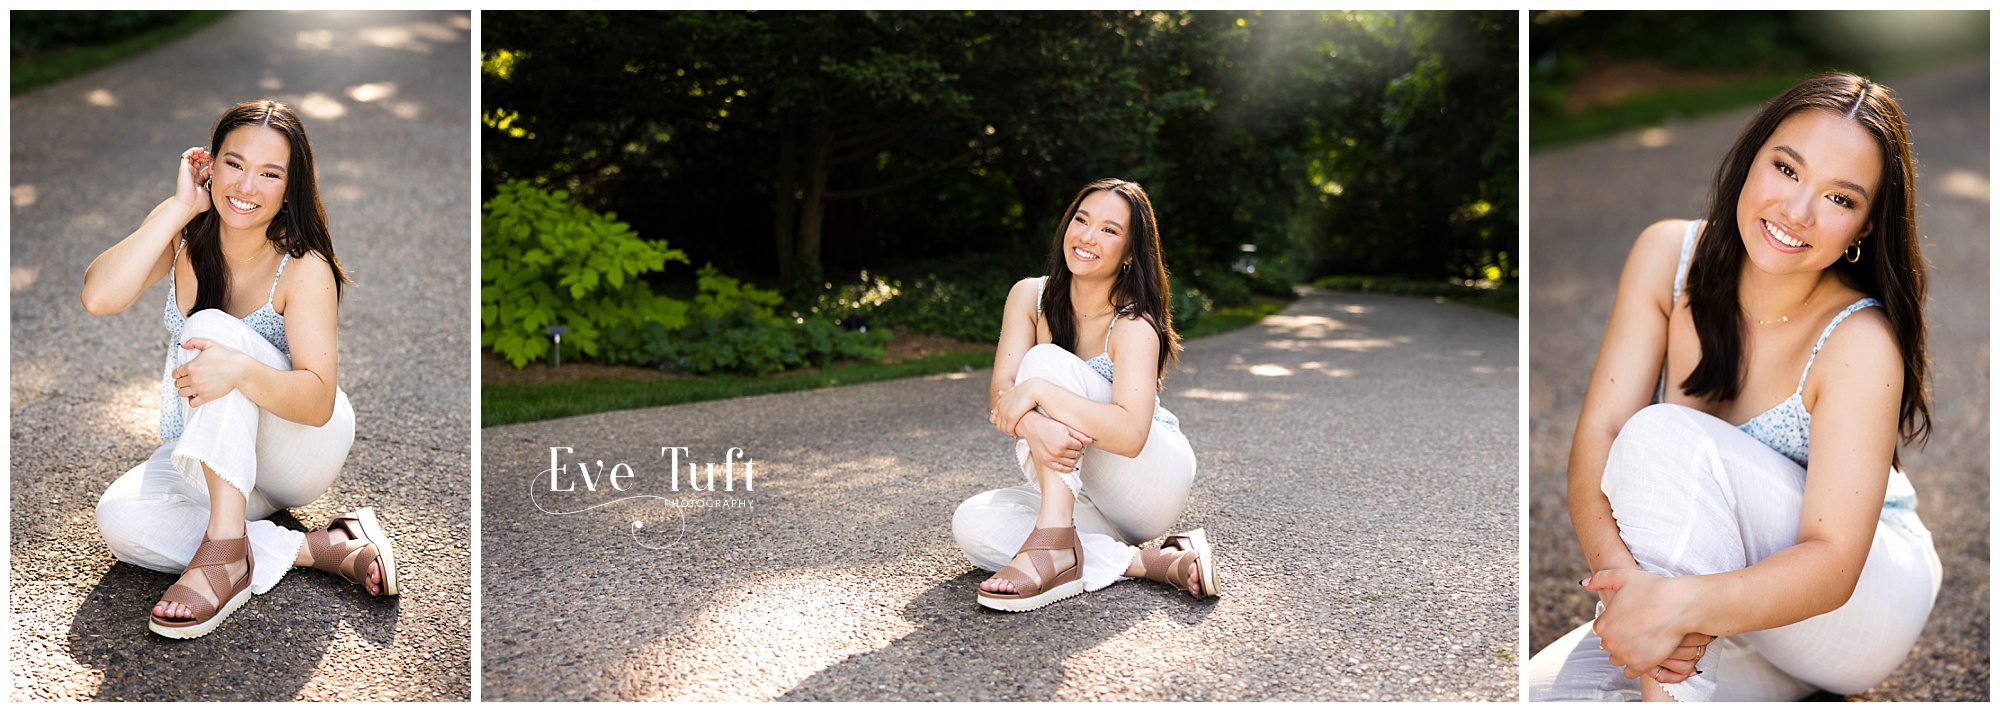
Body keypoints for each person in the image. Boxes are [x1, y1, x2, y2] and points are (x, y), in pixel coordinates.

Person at [1528, 74, 1941, 700]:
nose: (1796, 211)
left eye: (1840, 199)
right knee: (1542, 695)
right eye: (1787, 169)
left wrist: (1676, 607)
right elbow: (1600, 433)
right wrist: (1633, 594)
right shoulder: (1666, 254)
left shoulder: (1859, 343)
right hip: (1733, 604)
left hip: (1857, 607)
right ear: (1752, 159)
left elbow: (1832, 561)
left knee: (1663, 437)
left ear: (1863, 227)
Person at [81, 100, 399, 639]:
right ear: (210, 166)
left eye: (270, 173)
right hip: (219, 457)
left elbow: (318, 400)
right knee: (119, 521)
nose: (246, 185)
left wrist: (239, 370)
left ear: (289, 187)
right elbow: (99, 297)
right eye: (234, 164)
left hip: (298, 446)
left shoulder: (303, 266)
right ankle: (320, 548)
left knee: (215, 330)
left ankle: (227, 553)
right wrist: (178, 207)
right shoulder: (187, 234)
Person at [951, 178, 1218, 612]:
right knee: (973, 523)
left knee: (1043, 363)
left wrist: (1035, 392)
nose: (1088, 237)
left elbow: (1131, 434)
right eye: (1082, 220)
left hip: (1148, 478)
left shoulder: (1135, 324)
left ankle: (1055, 543)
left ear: (1131, 252)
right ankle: (1149, 562)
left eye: (1110, 230)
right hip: (1084, 490)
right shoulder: (1028, 296)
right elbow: (1001, 394)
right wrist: (1034, 425)